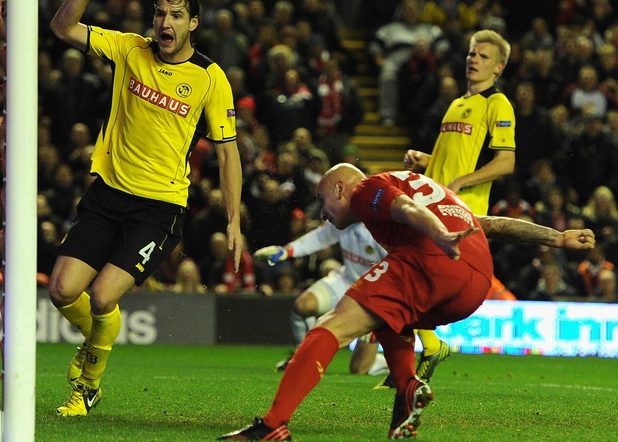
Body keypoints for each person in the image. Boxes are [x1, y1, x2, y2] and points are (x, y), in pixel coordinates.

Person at [218, 163, 595, 441]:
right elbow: (491, 224)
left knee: (332, 324)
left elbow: (406, 211)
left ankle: (272, 425)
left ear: (338, 188)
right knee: (387, 315)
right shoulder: (426, 187)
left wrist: (439, 235)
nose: (324, 213)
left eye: (322, 200)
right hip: (473, 285)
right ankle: (407, 388)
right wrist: (557, 238)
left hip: (437, 258)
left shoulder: (366, 189)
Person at [48, 0, 243, 418]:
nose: (164, 21)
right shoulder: (129, 48)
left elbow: (228, 152)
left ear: (193, 23)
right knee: (62, 290)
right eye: (160, 13)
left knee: (102, 297)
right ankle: (94, 341)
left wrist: (233, 219)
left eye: (176, 15)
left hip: (158, 208)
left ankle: (86, 390)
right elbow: (62, 28)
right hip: (106, 196)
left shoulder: (210, 78)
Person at [402, 29, 516, 379]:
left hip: (462, 209)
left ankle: (424, 351)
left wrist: (461, 182)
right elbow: (449, 156)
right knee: (408, 275)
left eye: (482, 56)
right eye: (471, 53)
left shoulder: (497, 104)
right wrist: (425, 159)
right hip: (435, 202)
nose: (473, 59)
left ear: (498, 67)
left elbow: (506, 162)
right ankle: (416, 360)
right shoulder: (455, 104)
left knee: (409, 276)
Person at [254, 220, 392, 377]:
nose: (325, 211)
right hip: (347, 280)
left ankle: (389, 362)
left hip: (377, 294)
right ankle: (302, 359)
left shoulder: (384, 226)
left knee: (359, 369)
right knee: (304, 305)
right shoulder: (344, 216)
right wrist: (287, 251)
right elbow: (320, 237)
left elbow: (398, 271)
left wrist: (378, 311)